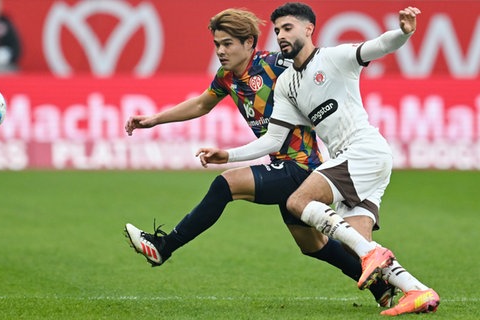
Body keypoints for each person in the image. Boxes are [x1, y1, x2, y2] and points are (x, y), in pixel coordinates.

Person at [123, 8, 395, 307]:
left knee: (225, 185)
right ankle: (382, 286)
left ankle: (164, 246)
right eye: (217, 44)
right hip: (281, 163)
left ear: (250, 43)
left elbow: (316, 70)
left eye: (228, 44)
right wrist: (154, 120)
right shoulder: (227, 77)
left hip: (302, 166)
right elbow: (202, 104)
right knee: (312, 245)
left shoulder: (275, 64)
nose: (221, 51)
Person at [196, 3, 440, 316]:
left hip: (363, 150)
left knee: (297, 202)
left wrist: (403, 33)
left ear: (308, 29)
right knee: (355, 247)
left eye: (288, 28)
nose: (281, 35)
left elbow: (379, 46)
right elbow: (273, 139)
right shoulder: (285, 84)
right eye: (278, 30)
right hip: (356, 161)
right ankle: (417, 290)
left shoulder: (334, 57)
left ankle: (373, 255)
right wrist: (228, 155)